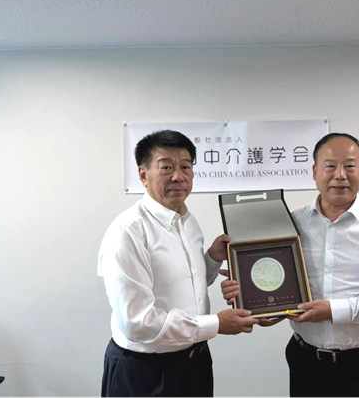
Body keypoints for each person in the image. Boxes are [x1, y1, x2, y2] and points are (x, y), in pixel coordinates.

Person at [221, 133, 359, 397]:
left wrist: (334, 310)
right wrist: (248, 293)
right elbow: (283, 293)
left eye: (350, 166)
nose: (340, 175)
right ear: (314, 172)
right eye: (330, 166)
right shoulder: (291, 223)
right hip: (306, 362)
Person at [98, 130, 259, 397]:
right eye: (166, 167)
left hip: (195, 361)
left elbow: (186, 282)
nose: (178, 176)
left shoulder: (187, 221)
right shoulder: (128, 231)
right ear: (143, 175)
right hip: (146, 370)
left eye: (185, 167)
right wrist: (216, 324)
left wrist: (211, 258)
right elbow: (138, 323)